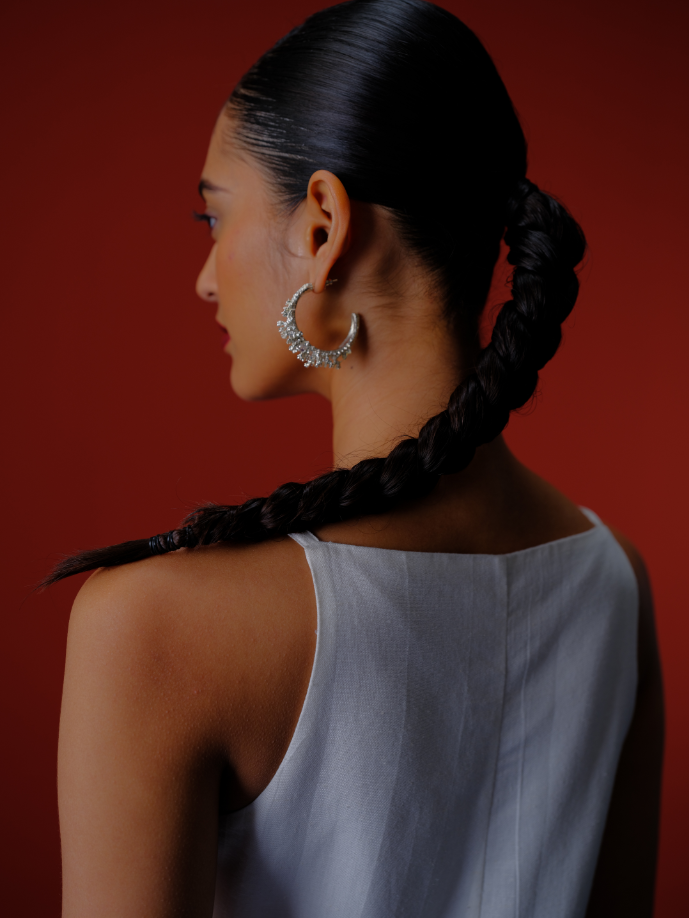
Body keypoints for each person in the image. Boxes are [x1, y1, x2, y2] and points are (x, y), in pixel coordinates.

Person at [49, 1, 663, 916]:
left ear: (323, 227)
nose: (205, 278)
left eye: (213, 217)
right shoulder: (612, 581)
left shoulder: (153, 629)